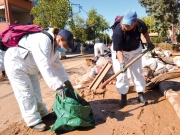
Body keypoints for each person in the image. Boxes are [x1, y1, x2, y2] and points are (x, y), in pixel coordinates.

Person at [4, 27, 74, 131]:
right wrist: (57, 86)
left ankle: (43, 114)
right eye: (66, 45)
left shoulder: (53, 46)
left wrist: (65, 80)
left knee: (36, 92)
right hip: (16, 64)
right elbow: (44, 65)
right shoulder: (43, 40)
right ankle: (32, 121)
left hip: (30, 67)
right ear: (59, 39)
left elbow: (56, 64)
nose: (66, 48)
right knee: (25, 93)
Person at [112, 9, 154, 108]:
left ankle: (140, 94)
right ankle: (123, 97)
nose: (126, 26)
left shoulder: (140, 24)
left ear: (135, 22)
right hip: (121, 52)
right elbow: (118, 50)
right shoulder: (118, 30)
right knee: (122, 75)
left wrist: (149, 43)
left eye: (129, 24)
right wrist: (122, 63)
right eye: (125, 24)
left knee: (137, 72)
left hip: (135, 50)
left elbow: (145, 32)